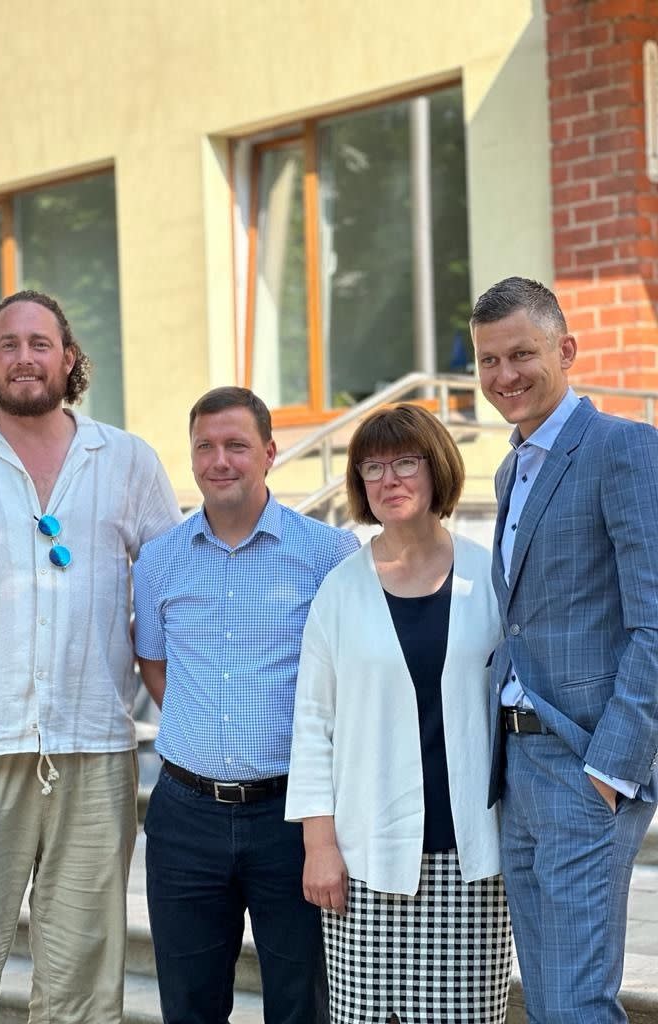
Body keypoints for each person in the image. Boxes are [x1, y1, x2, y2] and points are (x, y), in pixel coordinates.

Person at [0, 290, 181, 1024]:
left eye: (40, 343)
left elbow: (175, 588)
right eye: (8, 344)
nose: (24, 357)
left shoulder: (128, 461)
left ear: (69, 356)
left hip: (95, 745)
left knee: (85, 979)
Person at [132, 385, 359, 1024]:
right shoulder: (159, 561)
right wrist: (201, 725)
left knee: (302, 1005)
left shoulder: (328, 555)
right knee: (190, 1006)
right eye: (205, 446)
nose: (219, 460)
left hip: (293, 820)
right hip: (185, 817)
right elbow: (153, 658)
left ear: (269, 452)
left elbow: (350, 675)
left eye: (236, 445)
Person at [285, 403, 512, 1024]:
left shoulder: (488, 575)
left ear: (436, 468)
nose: (388, 479)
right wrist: (319, 845)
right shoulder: (341, 588)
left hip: (471, 857)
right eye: (372, 468)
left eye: (405, 462)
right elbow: (313, 724)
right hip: (368, 859)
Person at [470, 276, 658, 1024]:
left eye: (522, 354)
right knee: (547, 1002)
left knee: (577, 1004)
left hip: (584, 765)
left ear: (566, 350)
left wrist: (612, 768)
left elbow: (655, 622)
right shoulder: (513, 466)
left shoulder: (624, 449)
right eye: (488, 361)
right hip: (517, 769)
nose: (504, 376)